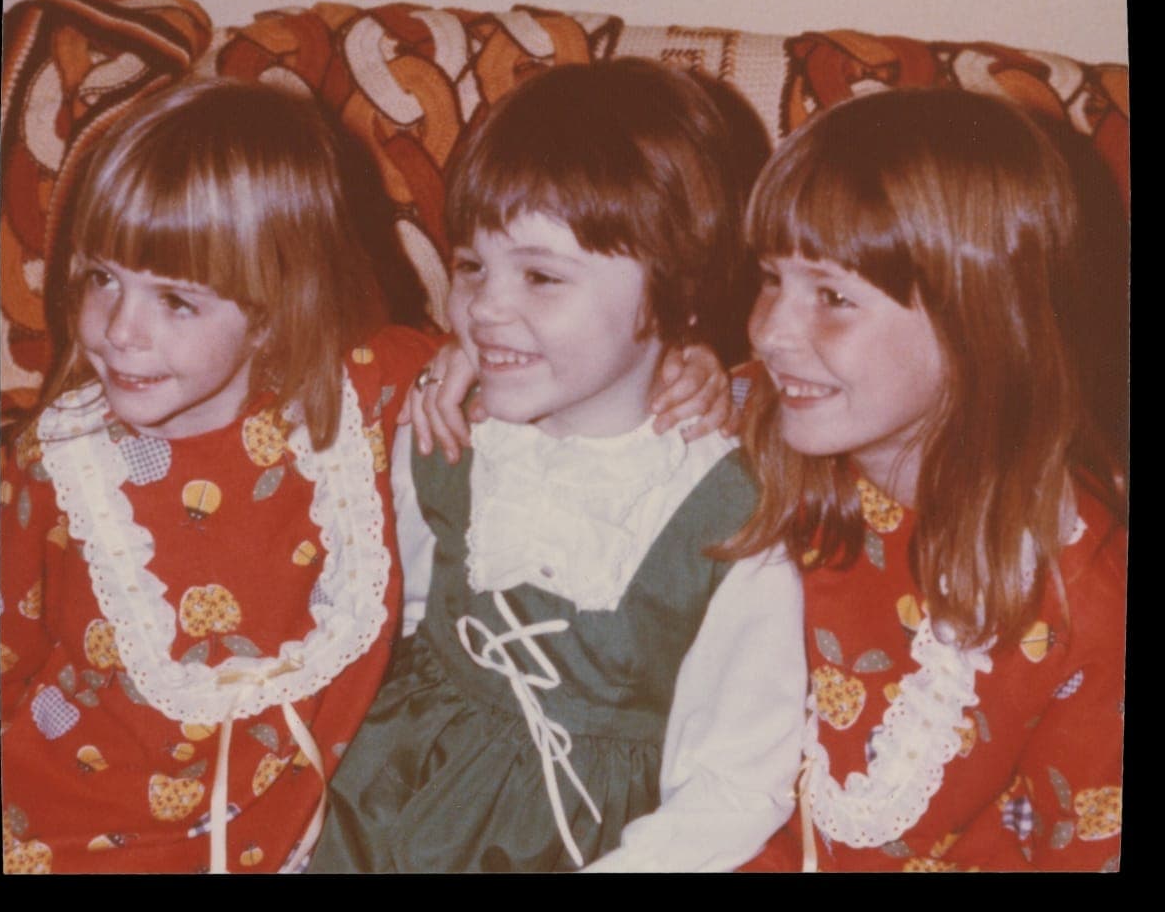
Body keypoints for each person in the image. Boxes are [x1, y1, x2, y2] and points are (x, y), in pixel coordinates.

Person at [309, 58, 805, 873]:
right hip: (387, 815)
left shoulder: (729, 510)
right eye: (471, 266)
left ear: (677, 293)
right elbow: (400, 619)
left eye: (541, 276)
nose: (485, 307)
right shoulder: (446, 429)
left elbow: (734, 782)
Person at [0, 78, 441, 874]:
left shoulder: (361, 386)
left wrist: (690, 366)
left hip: (290, 837)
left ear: (272, 305)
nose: (119, 330)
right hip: (72, 835)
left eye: (175, 299)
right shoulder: (54, 464)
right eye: (102, 278)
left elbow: (513, 361)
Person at [731, 87, 1126, 872]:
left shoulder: (1081, 597)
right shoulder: (739, 438)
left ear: (976, 322)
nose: (770, 329)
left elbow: (1081, 844)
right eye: (772, 279)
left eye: (833, 297)